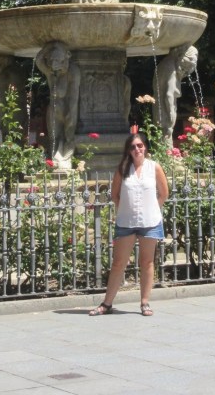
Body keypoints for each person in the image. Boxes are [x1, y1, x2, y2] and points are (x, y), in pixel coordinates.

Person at [89, 132, 169, 317]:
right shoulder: (123, 168)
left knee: (147, 262)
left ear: (145, 147)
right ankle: (107, 303)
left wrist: (152, 209)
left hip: (150, 221)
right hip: (126, 221)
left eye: (140, 145)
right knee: (119, 263)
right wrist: (125, 208)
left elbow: (164, 193)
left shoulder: (154, 167)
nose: (137, 149)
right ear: (128, 150)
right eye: (133, 147)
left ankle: (145, 302)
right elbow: (115, 194)